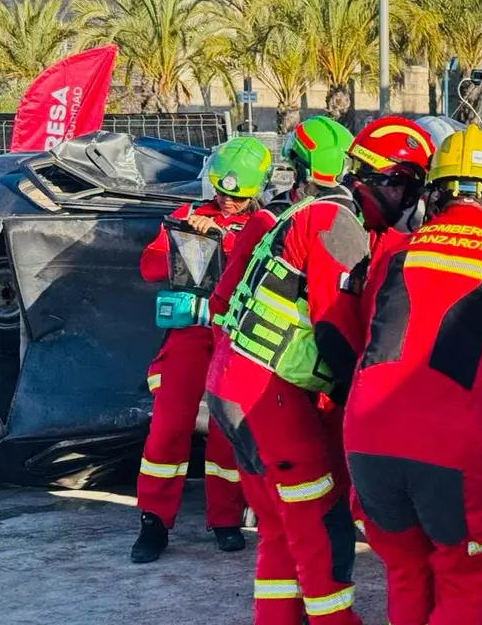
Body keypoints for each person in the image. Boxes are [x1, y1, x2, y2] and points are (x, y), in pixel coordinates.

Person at [344, 124, 482, 625]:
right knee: (463, 581)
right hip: (450, 445)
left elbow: (371, 326)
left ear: (434, 192)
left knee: (406, 571)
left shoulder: (395, 252)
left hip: (366, 438)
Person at [209, 116, 370, 625]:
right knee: (319, 524)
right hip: (269, 395)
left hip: (233, 382)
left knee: (279, 527)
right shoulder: (333, 221)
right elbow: (335, 321)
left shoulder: (291, 216)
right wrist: (360, 392)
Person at [131, 136, 272, 564]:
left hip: (234, 339)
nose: (227, 201)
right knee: (168, 428)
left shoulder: (265, 223)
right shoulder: (188, 215)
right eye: (222, 191)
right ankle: (153, 522)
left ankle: (225, 519)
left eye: (238, 195)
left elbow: (262, 267)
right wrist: (186, 239)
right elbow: (150, 265)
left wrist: (226, 241)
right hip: (189, 336)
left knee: (227, 434)